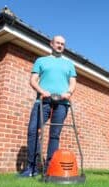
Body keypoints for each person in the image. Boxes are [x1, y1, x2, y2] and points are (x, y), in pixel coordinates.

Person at [19, 35, 77, 177]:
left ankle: (50, 168)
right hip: (43, 101)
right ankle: (32, 167)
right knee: (33, 130)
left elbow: (73, 82)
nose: (60, 46)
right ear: (51, 44)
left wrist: (68, 92)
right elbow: (33, 80)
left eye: (62, 44)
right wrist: (41, 91)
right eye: (57, 43)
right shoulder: (41, 61)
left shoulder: (69, 64)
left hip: (62, 102)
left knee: (54, 135)